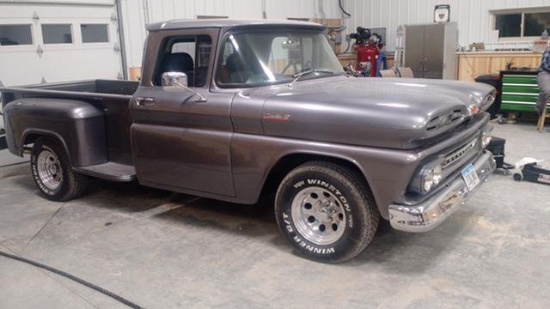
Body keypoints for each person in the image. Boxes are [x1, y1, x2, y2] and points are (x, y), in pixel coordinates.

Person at [535, 45, 550, 115]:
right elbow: (546, 65)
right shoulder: (549, 50)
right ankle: (539, 108)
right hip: (545, 72)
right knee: (547, 90)